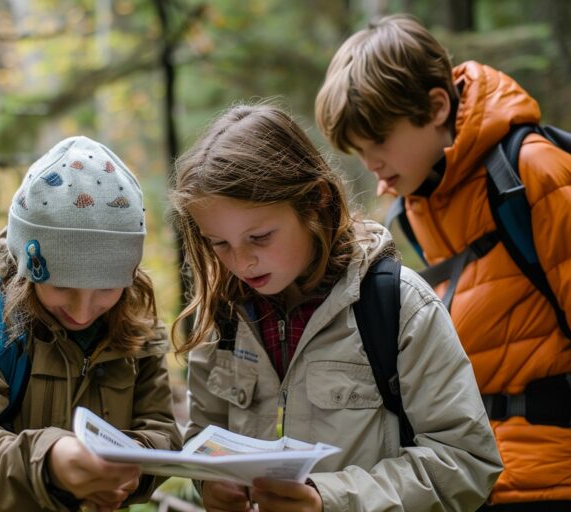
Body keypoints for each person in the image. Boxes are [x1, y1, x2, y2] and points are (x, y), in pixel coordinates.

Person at [169, 103, 502, 512]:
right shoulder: (225, 315)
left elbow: (467, 463)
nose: (240, 262)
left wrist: (328, 500)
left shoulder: (400, 306)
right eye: (219, 243)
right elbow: (204, 436)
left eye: (259, 237)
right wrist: (210, 484)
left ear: (316, 202)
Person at [315, 14, 571, 510]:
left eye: (380, 141)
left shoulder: (533, 174)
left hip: (553, 475)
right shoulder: (421, 202)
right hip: (478, 472)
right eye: (358, 149)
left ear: (435, 107)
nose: (369, 162)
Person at [0, 136, 181, 512]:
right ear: (30, 272)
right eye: (62, 287)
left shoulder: (138, 324)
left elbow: (159, 426)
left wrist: (130, 465)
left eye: (107, 288)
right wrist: (50, 465)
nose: (82, 311)